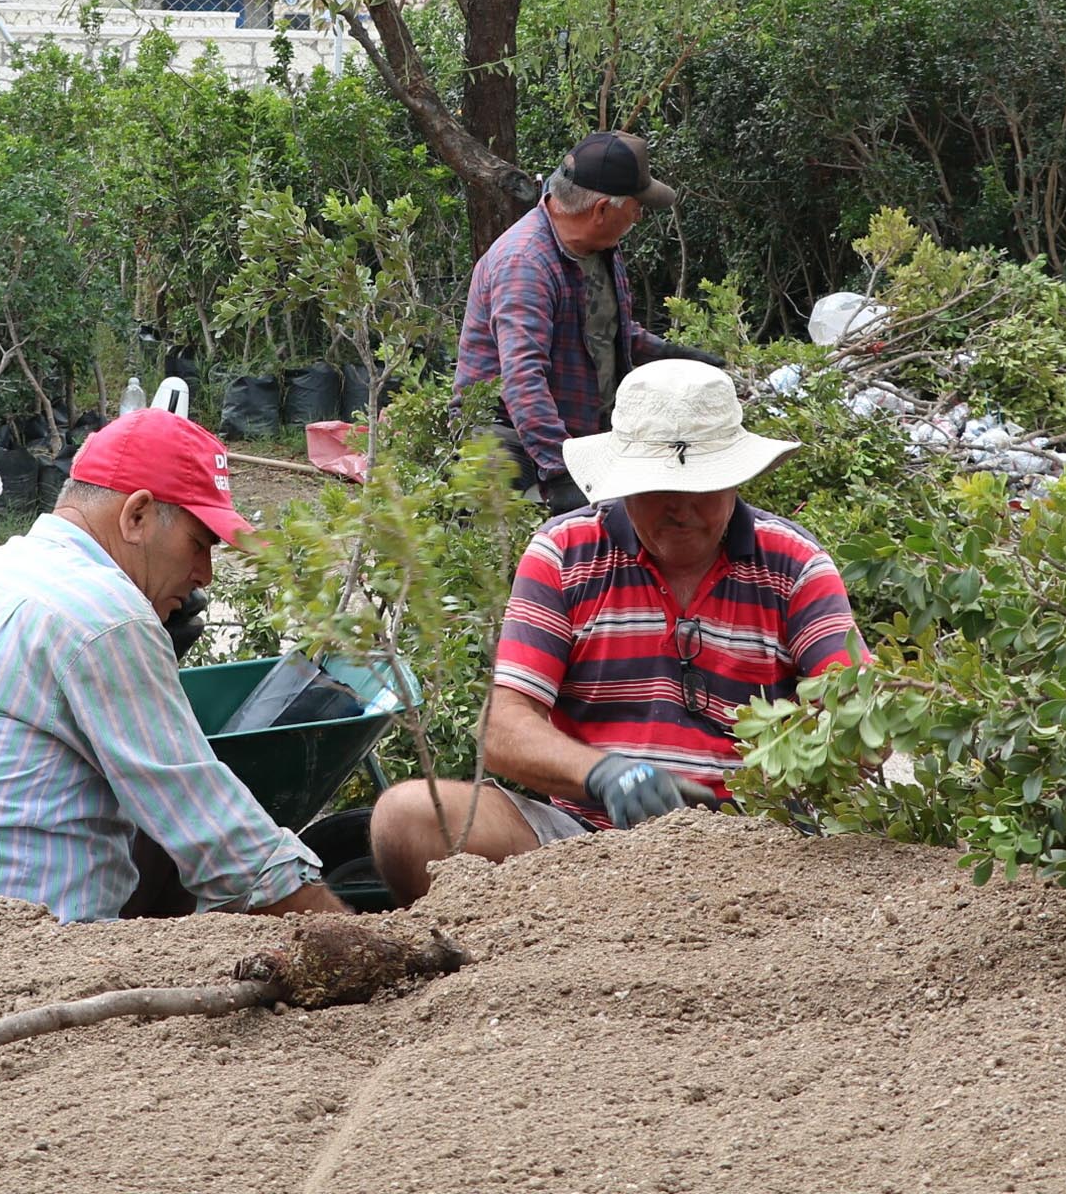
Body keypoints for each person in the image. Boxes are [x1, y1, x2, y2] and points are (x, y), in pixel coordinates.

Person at [368, 360, 867, 903]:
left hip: (757, 841)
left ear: (735, 479)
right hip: (583, 838)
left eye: (701, 488)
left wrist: (797, 773)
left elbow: (861, 714)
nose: (681, 510)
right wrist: (605, 774)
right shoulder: (565, 553)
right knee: (407, 817)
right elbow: (505, 726)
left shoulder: (794, 564)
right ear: (625, 481)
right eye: (659, 488)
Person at [0, 408, 345, 933]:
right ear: (137, 515)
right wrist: (354, 941)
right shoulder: (103, 612)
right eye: (199, 544)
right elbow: (224, 844)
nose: (203, 576)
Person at [456, 131, 714, 513]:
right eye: (637, 205)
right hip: (508, 433)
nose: (640, 216)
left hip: (578, 430)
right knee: (503, 537)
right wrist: (563, 470)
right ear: (601, 211)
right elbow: (523, 378)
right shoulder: (525, 263)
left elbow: (608, 329)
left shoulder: (599, 248)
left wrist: (673, 355)